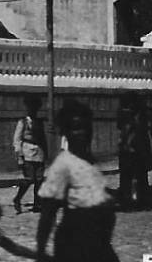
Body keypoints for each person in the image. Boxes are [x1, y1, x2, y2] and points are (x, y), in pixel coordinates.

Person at [36, 100, 120, 262]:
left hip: (99, 243)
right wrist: (40, 252)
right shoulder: (62, 165)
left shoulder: (91, 162)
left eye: (86, 127)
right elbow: (48, 212)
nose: (82, 133)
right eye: (75, 128)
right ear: (66, 132)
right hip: (74, 244)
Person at [11, 94, 47, 213]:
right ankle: (17, 198)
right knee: (29, 179)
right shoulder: (23, 122)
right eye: (31, 108)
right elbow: (17, 139)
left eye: (35, 108)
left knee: (40, 180)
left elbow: (43, 138)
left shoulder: (39, 122)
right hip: (27, 152)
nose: (33, 110)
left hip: (39, 152)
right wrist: (19, 156)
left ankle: (38, 203)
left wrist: (46, 153)